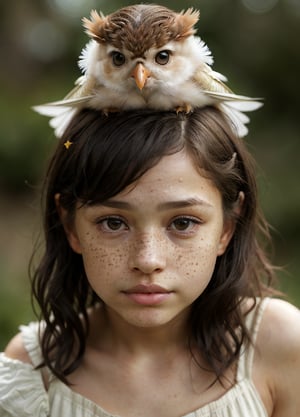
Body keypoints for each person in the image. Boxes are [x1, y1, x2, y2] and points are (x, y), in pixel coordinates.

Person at [0, 106, 300, 417]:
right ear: (70, 225)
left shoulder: (280, 347)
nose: (148, 259)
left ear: (227, 226)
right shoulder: (33, 374)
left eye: (182, 223)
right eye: (113, 223)